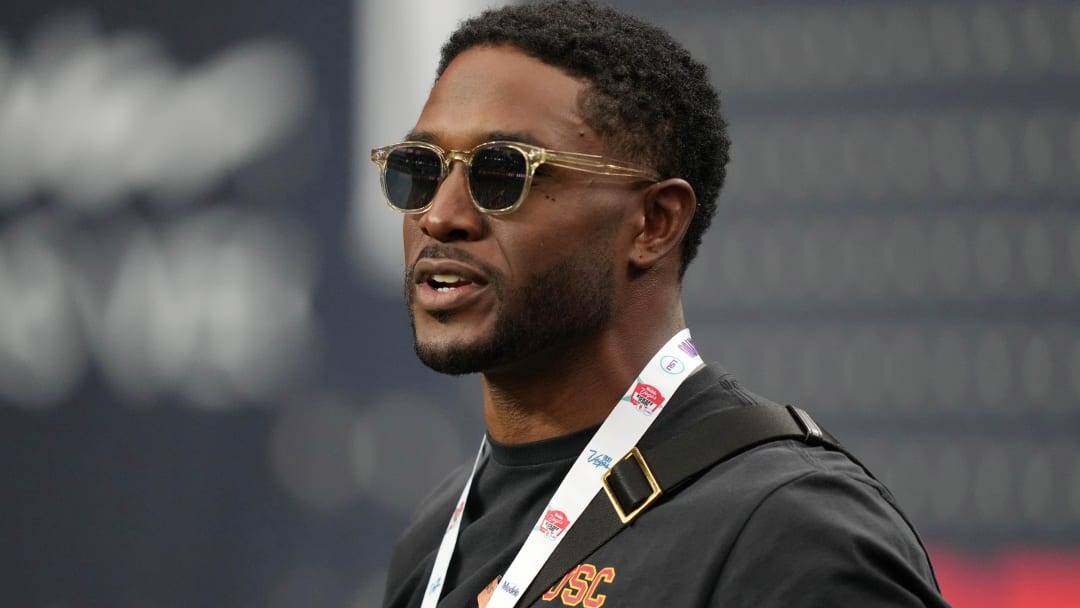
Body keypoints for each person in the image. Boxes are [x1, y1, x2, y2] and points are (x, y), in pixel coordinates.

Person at [373, 1, 950, 606]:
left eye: (502, 174)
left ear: (654, 222)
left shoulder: (790, 531)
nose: (440, 215)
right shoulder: (435, 535)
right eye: (421, 169)